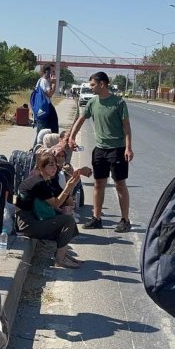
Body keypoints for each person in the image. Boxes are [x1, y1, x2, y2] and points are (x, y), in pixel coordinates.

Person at [68, 71, 133, 232]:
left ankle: (125, 220)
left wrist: (128, 148)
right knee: (98, 184)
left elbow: (126, 127)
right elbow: (81, 120)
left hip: (117, 150)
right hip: (100, 150)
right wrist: (71, 137)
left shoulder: (118, 103)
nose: (91, 87)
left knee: (120, 185)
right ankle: (96, 218)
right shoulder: (92, 103)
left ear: (102, 84)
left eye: (93, 85)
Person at [15, 151, 82, 269]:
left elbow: (63, 202)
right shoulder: (39, 183)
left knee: (65, 216)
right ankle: (60, 259)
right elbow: (56, 203)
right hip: (27, 224)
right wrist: (68, 187)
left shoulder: (45, 180)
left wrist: (69, 189)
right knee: (68, 221)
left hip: (31, 220)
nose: (54, 168)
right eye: (51, 165)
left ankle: (62, 252)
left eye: (55, 164)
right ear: (41, 167)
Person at [33, 63, 59, 133]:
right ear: (47, 71)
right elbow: (50, 94)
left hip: (42, 108)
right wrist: (54, 83)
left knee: (43, 131)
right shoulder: (44, 81)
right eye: (53, 71)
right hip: (44, 109)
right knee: (42, 132)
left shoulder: (41, 80)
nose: (54, 74)